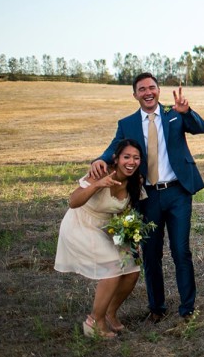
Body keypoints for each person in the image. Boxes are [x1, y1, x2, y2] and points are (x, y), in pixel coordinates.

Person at [91, 72, 204, 322]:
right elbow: (114, 147)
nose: (147, 92)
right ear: (135, 94)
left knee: (181, 251)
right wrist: (101, 159)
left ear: (158, 90)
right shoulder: (127, 123)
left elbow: (201, 128)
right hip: (147, 195)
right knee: (151, 252)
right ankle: (157, 308)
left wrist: (187, 112)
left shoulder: (174, 113)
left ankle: (187, 309)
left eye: (151, 87)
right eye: (142, 89)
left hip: (178, 192)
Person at [56, 139, 146, 337]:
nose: (131, 162)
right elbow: (73, 201)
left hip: (106, 227)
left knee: (133, 268)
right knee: (113, 266)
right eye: (127, 157)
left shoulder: (136, 181)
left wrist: (130, 241)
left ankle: (110, 314)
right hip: (80, 225)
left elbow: (127, 212)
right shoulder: (101, 172)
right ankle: (94, 322)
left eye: (136, 158)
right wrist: (98, 184)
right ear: (116, 158)